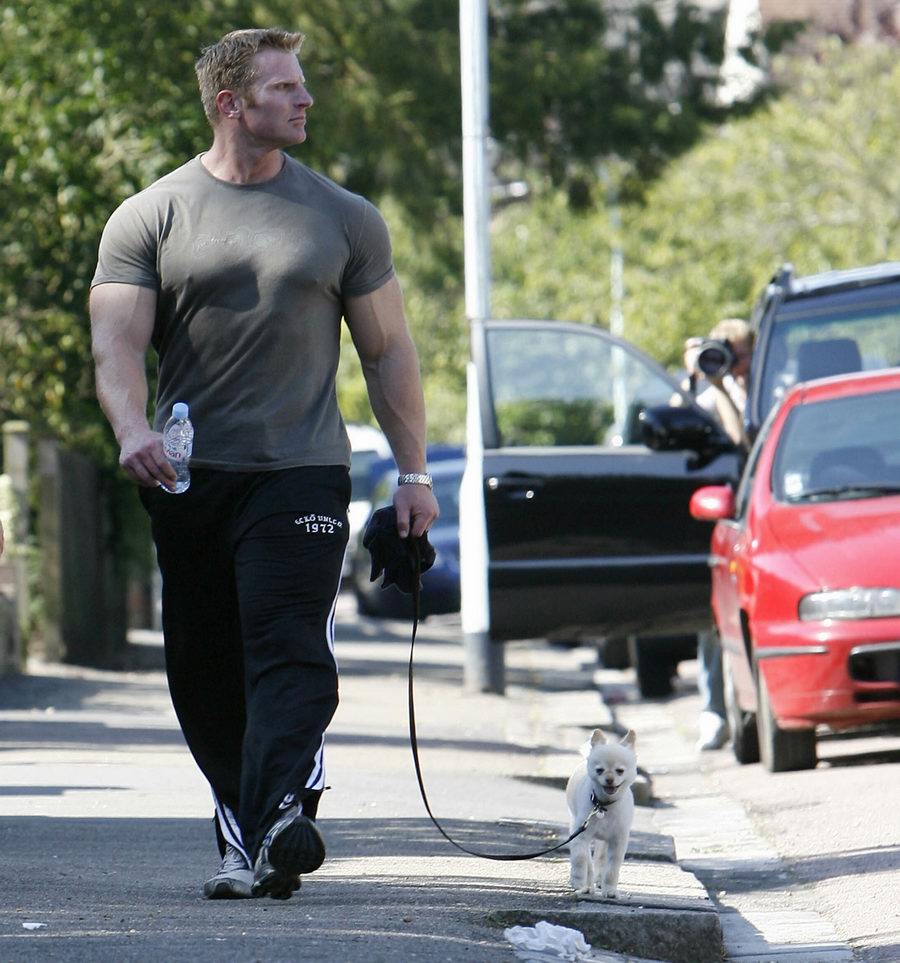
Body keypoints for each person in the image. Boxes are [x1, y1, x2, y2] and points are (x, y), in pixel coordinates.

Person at [89, 27, 439, 901]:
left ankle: (281, 811)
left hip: (302, 471)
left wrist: (415, 474)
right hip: (191, 477)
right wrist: (130, 427)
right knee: (203, 665)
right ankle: (253, 834)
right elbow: (116, 345)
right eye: (284, 87)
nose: (305, 98)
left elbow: (388, 351)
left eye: (302, 84)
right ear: (230, 105)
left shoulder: (344, 217)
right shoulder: (151, 216)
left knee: (287, 644)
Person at [683, 318, 754, 751]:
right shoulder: (706, 392)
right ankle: (713, 711)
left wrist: (725, 385)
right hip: (722, 514)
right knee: (713, 617)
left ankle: (745, 706)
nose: (733, 362)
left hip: (757, 508)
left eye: (740, 353)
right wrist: (694, 377)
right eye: (724, 351)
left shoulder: (766, 385)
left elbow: (741, 437)